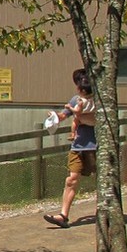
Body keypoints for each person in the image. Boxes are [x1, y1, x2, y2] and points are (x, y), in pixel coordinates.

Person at [43, 69, 97, 228]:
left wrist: (80, 117)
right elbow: (64, 115)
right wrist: (54, 116)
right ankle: (63, 215)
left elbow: (95, 119)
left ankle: (106, 211)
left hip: (96, 145)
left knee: (102, 179)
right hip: (78, 145)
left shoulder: (99, 99)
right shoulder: (75, 100)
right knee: (71, 179)